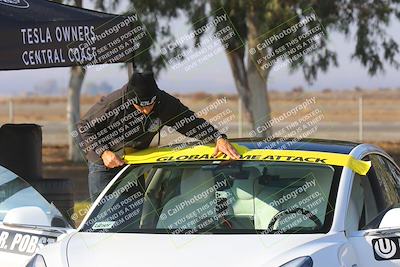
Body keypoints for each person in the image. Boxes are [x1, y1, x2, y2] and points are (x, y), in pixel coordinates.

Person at [77, 72, 240, 201]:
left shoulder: (165, 103)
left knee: (132, 216)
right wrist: (103, 152)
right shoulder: (112, 103)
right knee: (104, 220)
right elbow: (83, 128)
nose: (146, 110)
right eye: (140, 106)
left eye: (150, 103)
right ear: (130, 99)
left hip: (133, 163)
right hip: (103, 164)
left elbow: (190, 122)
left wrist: (217, 137)